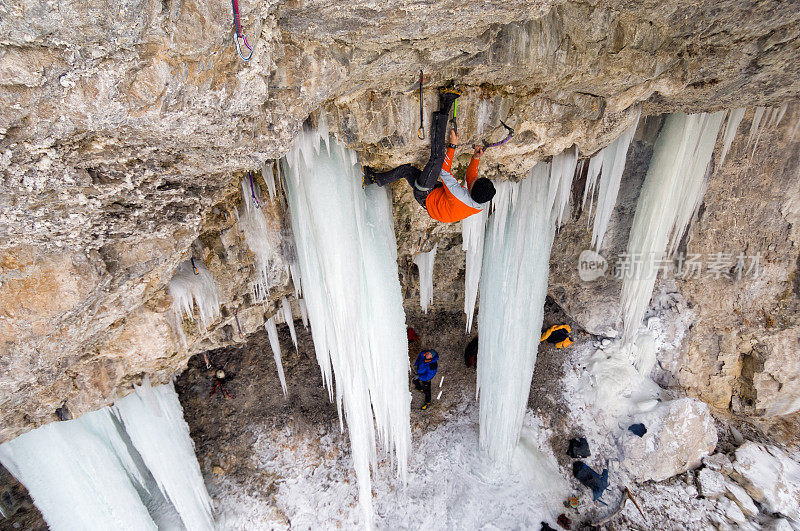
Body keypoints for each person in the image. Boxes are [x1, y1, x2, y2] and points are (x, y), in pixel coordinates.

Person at [364, 89, 496, 223]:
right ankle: (374, 179)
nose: (475, 179)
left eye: (476, 181)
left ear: (473, 189)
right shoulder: (479, 202)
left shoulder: (460, 196)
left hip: (426, 194)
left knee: (437, 159)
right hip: (436, 199)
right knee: (406, 171)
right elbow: (471, 179)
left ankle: (446, 105)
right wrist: (475, 159)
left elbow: (444, 171)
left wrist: (452, 146)